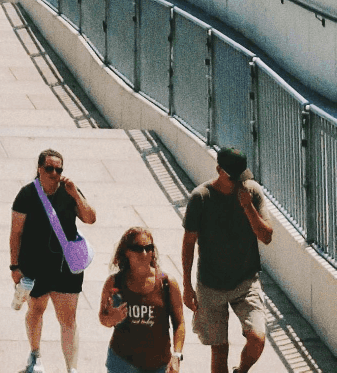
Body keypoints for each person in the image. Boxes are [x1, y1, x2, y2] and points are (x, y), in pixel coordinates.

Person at [181, 147, 274, 373]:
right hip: (211, 284)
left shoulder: (251, 193)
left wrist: (247, 207)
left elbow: (267, 237)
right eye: (234, 177)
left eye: (242, 176)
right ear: (219, 170)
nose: (239, 182)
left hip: (245, 281)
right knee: (219, 349)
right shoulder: (200, 198)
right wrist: (186, 286)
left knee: (257, 338)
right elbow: (189, 243)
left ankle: (241, 370)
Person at [11, 148, 99, 373]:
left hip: (66, 266)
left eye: (58, 169)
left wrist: (76, 195)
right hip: (35, 265)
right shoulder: (26, 195)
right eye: (49, 168)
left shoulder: (69, 192)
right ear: (39, 169)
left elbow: (90, 218)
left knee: (68, 319)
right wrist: (15, 266)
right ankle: (35, 354)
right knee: (36, 311)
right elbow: (16, 233)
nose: (53, 173)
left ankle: (72, 368)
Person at [99, 225, 185, 373]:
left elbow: (179, 323)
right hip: (122, 362)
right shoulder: (114, 283)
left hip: (158, 364)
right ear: (126, 252)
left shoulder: (167, 283)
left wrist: (176, 355)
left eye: (148, 248)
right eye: (138, 249)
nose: (144, 253)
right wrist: (112, 318)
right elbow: (103, 318)